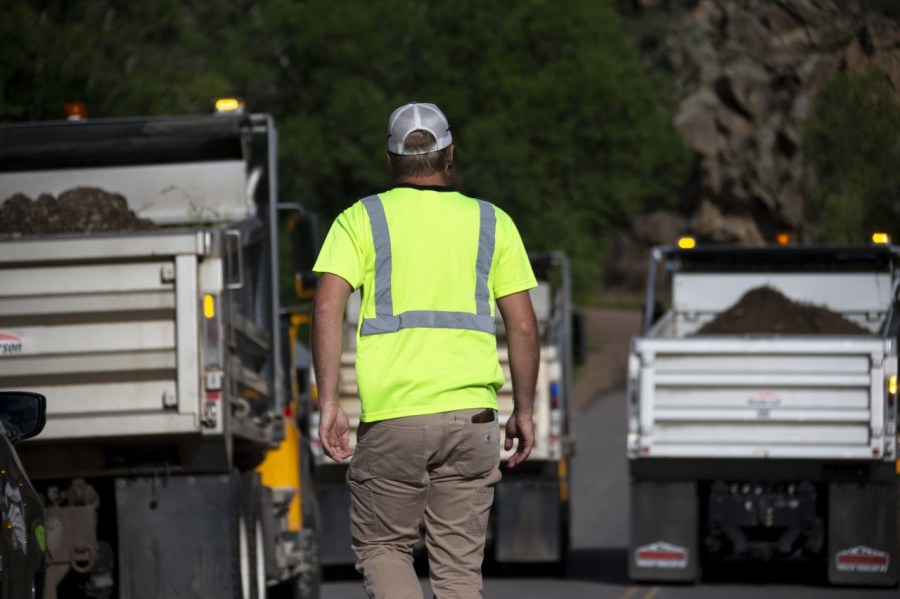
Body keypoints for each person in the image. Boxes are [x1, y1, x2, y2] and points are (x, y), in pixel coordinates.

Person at [311, 101, 539, 599]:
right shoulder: (492, 221)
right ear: (450, 154)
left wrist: (329, 402)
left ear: (391, 160)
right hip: (473, 423)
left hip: (395, 419)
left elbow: (327, 308)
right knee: (458, 572)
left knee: (385, 549)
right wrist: (524, 409)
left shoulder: (360, 219)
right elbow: (522, 327)